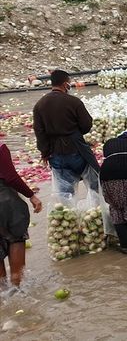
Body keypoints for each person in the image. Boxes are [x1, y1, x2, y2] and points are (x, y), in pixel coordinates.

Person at [33, 69, 100, 198]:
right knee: (94, 184)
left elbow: (39, 132)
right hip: (77, 150)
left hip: (56, 153)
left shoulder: (40, 105)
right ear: (65, 84)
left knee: (65, 191)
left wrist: (45, 152)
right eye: (69, 83)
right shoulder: (73, 102)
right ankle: (98, 211)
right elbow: (86, 125)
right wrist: (75, 132)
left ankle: (70, 214)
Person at [0, 143, 43, 288]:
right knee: (16, 238)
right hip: (5, 202)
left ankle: (4, 295)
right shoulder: (0, 147)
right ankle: (18, 288)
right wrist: (31, 196)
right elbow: (10, 177)